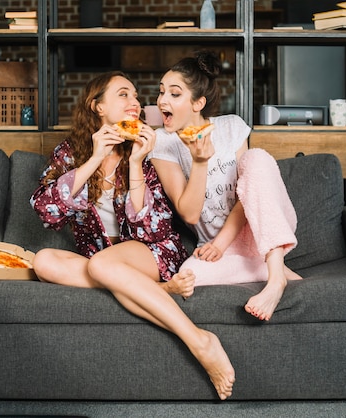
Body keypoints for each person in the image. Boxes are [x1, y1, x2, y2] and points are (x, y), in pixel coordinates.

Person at [30, 71, 235, 400]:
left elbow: (149, 230)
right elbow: (46, 210)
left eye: (137, 97)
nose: (136, 102)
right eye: (124, 95)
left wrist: (137, 162)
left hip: (153, 253)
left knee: (101, 265)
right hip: (104, 260)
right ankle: (155, 291)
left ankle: (200, 340)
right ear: (98, 107)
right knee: (43, 261)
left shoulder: (145, 150)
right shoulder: (69, 153)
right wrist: (95, 157)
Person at [150, 51, 302, 322]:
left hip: (258, 228)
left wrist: (222, 242)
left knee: (257, 160)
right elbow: (190, 215)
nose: (162, 100)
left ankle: (276, 279)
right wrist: (199, 162)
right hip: (216, 248)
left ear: (198, 103)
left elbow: (251, 192)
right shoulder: (163, 142)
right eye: (161, 92)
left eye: (174, 94)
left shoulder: (231, 127)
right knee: (187, 281)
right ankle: (264, 268)